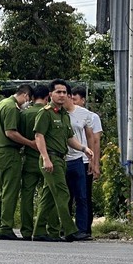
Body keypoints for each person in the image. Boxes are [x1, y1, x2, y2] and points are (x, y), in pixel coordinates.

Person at [32, 79, 94, 242]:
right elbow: (39, 136)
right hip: (50, 157)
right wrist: (45, 158)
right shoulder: (46, 113)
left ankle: (39, 231)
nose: (61, 95)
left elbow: (69, 138)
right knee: (63, 193)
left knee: (49, 196)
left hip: (61, 158)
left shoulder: (64, 115)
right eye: (58, 92)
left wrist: (83, 149)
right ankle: (69, 230)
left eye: (64, 92)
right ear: (50, 94)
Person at [0, 84, 33, 240]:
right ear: (26, 95)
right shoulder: (12, 108)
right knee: (10, 191)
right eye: (29, 99)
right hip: (9, 152)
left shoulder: (1, 103)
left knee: (2, 190)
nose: (28, 103)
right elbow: (10, 132)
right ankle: (6, 227)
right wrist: (30, 143)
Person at [17, 84, 50, 240]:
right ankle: (43, 228)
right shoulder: (49, 113)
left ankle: (26, 230)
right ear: (47, 97)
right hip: (47, 158)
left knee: (27, 195)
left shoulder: (24, 114)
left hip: (29, 158)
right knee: (48, 195)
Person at [70, 87, 102, 235]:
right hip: (71, 158)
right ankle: (68, 226)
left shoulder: (91, 116)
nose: (73, 102)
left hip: (84, 160)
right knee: (69, 195)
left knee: (84, 195)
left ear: (83, 100)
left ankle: (85, 228)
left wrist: (95, 163)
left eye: (75, 99)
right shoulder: (66, 114)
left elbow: (95, 140)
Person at [64, 87, 95, 237]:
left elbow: (90, 137)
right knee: (66, 196)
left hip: (80, 158)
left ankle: (82, 229)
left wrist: (92, 159)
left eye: (66, 95)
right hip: (62, 158)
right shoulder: (57, 112)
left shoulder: (84, 114)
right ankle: (66, 228)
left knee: (82, 195)